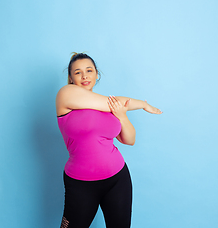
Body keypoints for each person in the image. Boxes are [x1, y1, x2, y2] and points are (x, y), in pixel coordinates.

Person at [56, 52, 162, 228]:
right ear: (70, 77)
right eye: (77, 72)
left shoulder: (109, 107)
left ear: (97, 74)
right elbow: (110, 102)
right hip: (80, 184)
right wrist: (142, 104)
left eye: (89, 70)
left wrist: (122, 115)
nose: (84, 76)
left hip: (117, 179)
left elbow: (129, 140)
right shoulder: (65, 94)